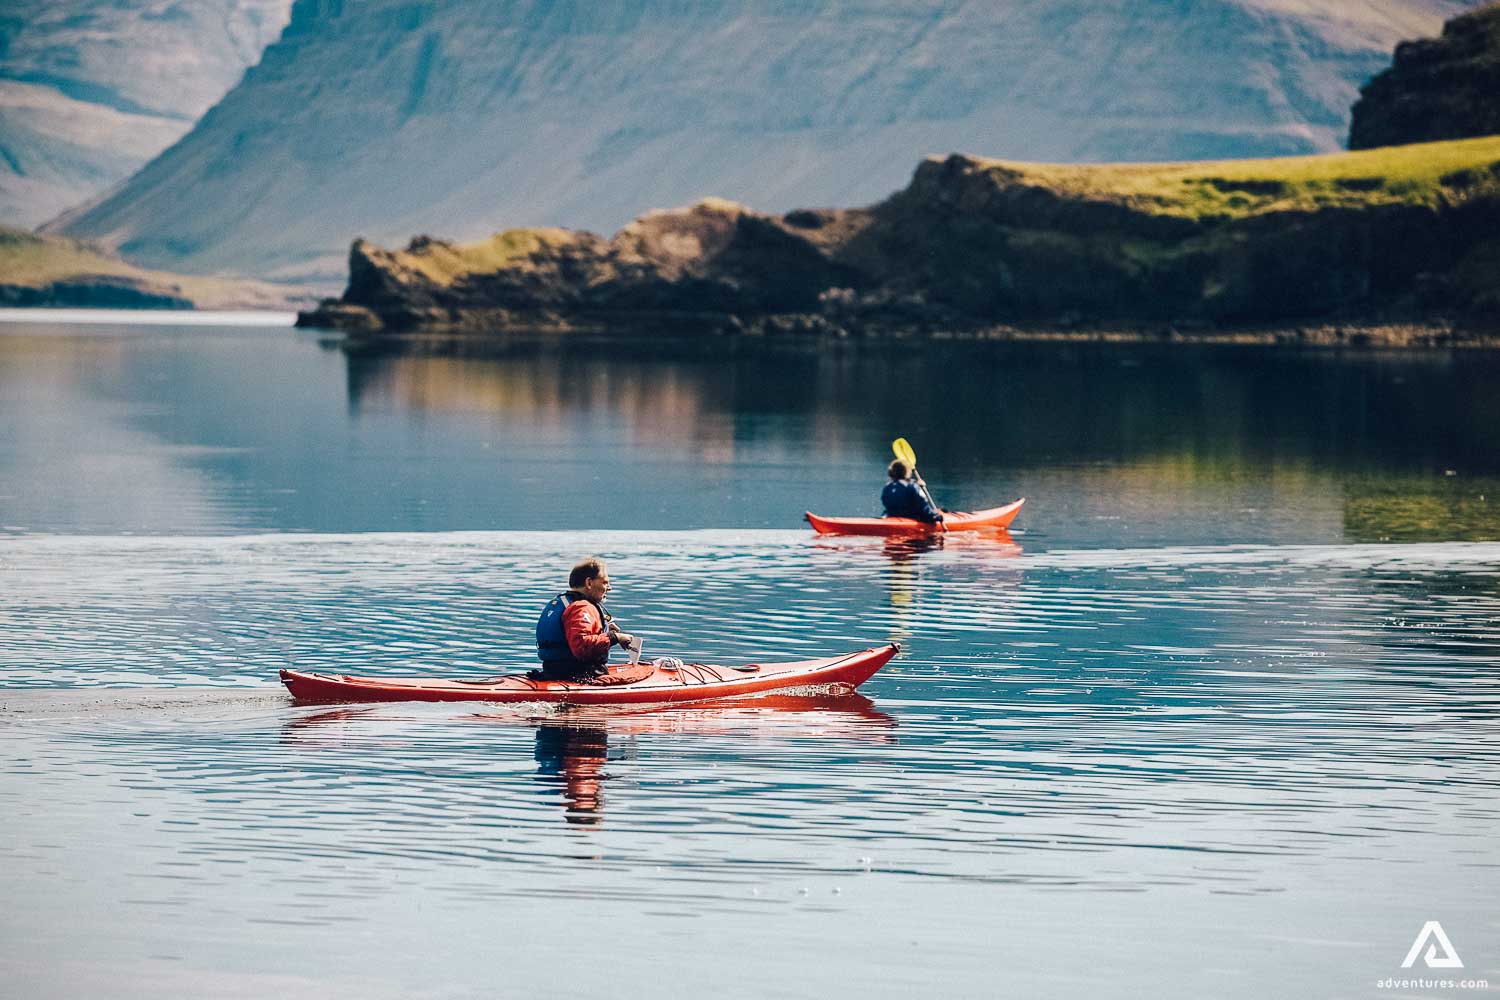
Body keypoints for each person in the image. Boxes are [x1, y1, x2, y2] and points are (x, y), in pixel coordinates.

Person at [534, 557, 636, 681]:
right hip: (579, 676)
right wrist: (615, 638)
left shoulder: (562, 602)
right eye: (605, 582)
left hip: (554, 672)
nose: (609, 588)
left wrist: (604, 629)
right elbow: (581, 646)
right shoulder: (581, 607)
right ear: (589, 583)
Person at [882, 459, 945, 524]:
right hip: (911, 518)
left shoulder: (888, 487)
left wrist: (916, 483)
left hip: (891, 516)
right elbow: (924, 508)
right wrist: (937, 516)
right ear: (906, 471)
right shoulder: (913, 486)